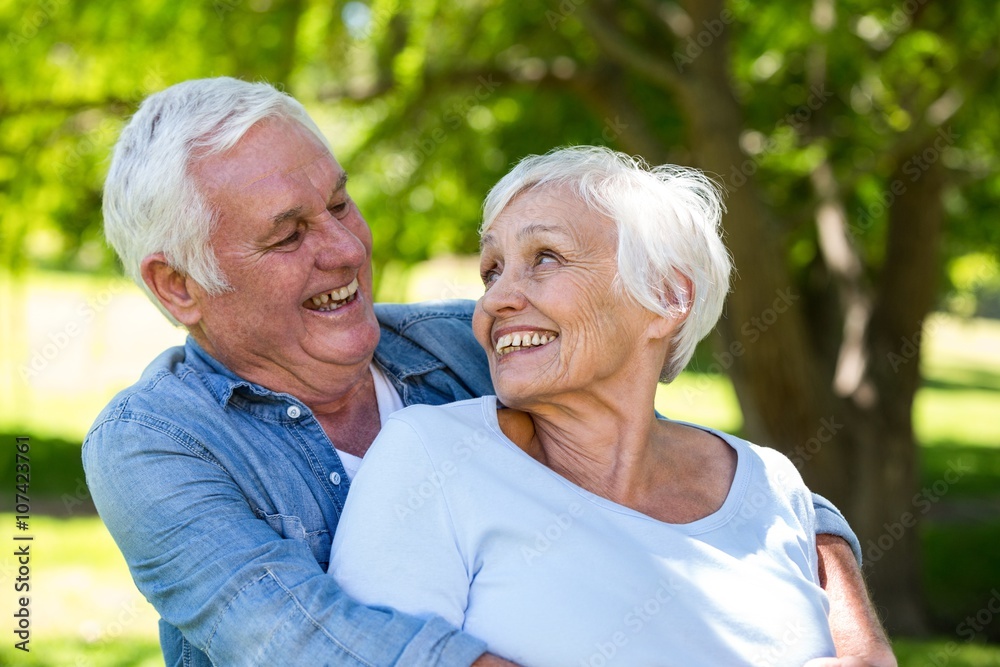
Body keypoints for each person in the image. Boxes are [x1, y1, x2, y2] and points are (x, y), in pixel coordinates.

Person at [83, 77, 888, 666]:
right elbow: (303, 644)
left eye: (339, 204)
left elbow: (719, 476)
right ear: (177, 285)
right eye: (288, 235)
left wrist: (850, 627)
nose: (345, 247)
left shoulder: (470, 344)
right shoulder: (153, 444)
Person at [329, 147, 897, 666]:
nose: (495, 299)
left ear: (667, 297)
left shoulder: (772, 484)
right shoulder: (431, 455)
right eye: (492, 270)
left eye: (545, 257)